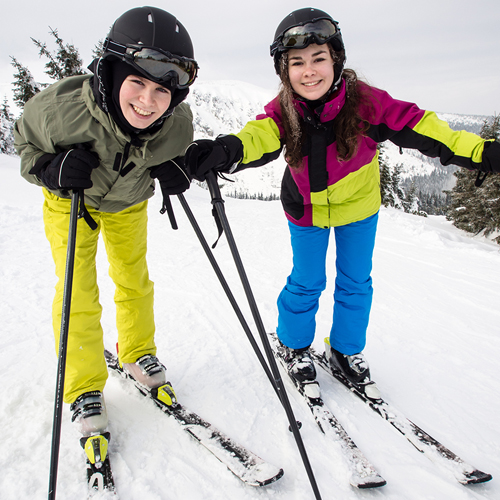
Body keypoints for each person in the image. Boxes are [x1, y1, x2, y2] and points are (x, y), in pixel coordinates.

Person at [185, 8, 500, 387]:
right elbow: (259, 136)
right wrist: (228, 149)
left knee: (355, 281)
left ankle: (346, 349)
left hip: (358, 208)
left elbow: (423, 126)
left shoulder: (367, 103)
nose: (310, 70)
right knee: (307, 280)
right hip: (306, 208)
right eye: (297, 63)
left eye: (319, 58)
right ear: (285, 71)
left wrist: (480, 152)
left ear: (336, 58)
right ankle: (294, 345)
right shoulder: (284, 109)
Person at [15, 6, 198, 435]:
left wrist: (173, 165)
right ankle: (82, 386)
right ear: (112, 75)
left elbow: (173, 151)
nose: (147, 102)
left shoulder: (177, 124)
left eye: (162, 91)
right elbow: (23, 146)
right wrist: (48, 168)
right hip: (71, 202)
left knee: (134, 278)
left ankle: (136, 351)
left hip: (128, 203)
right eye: (137, 83)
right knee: (78, 288)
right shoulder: (58, 111)